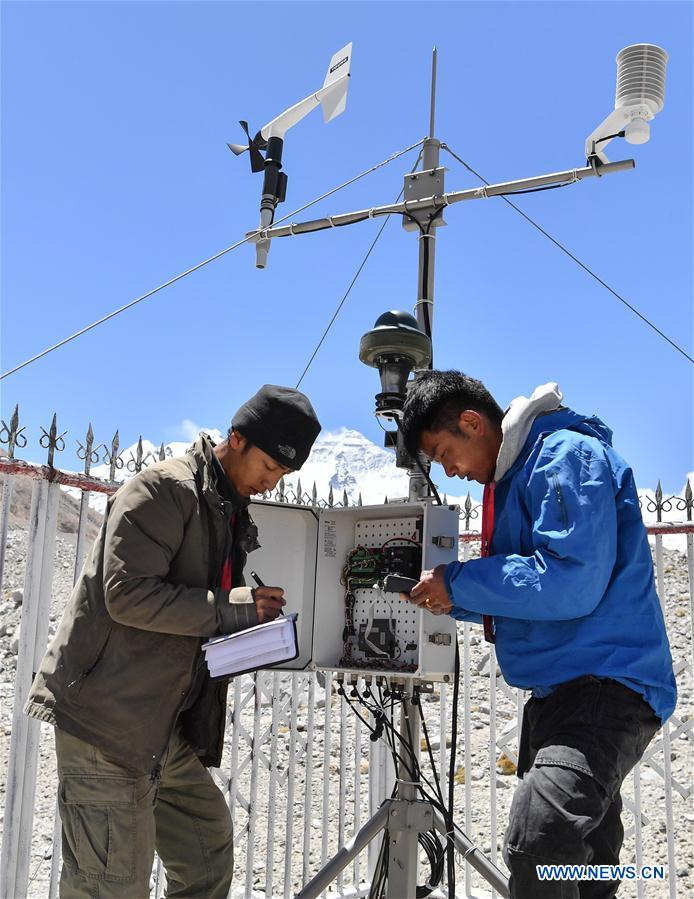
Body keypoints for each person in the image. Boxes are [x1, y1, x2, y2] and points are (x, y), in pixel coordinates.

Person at [25, 384, 321, 899]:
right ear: (237, 439)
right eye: (269, 469)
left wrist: (248, 614)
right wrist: (231, 608)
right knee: (109, 887)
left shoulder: (224, 507)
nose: (271, 485)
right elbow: (127, 595)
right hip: (107, 723)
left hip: (158, 729)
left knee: (207, 847)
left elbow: (188, 599)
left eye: (282, 476)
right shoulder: (165, 489)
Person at [400, 371, 676, 899]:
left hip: (604, 687)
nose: (449, 471)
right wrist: (450, 596)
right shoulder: (520, 474)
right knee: (586, 867)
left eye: (442, 453)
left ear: (471, 422)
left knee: (540, 840)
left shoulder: (563, 456)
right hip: (565, 695)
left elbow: (570, 580)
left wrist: (459, 583)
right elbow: (531, 594)